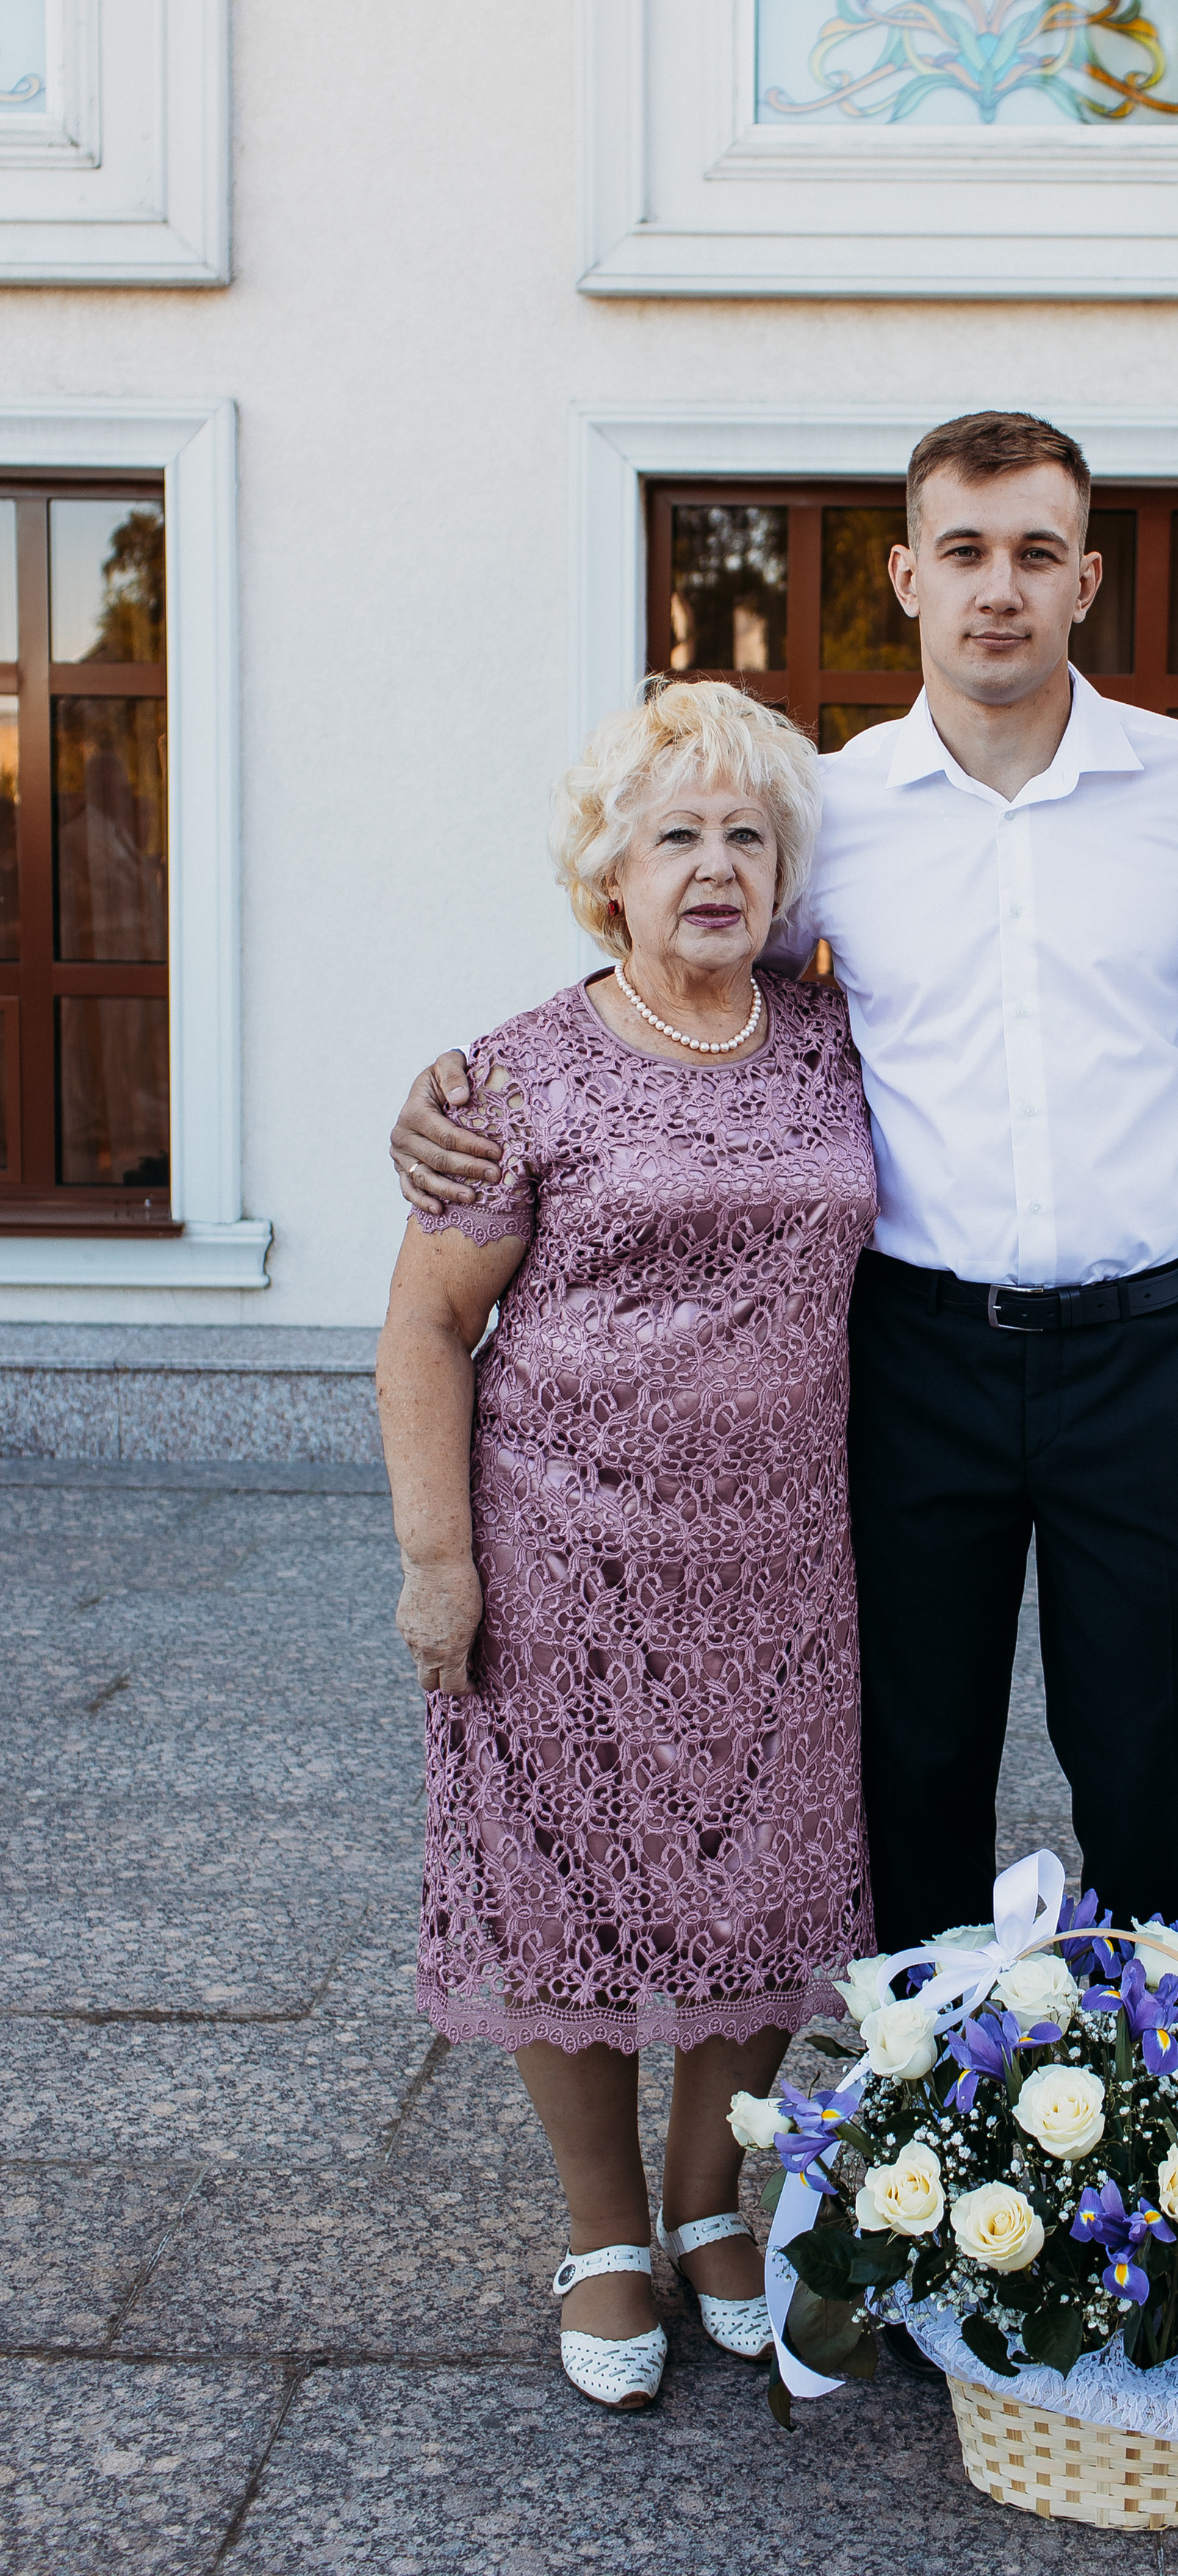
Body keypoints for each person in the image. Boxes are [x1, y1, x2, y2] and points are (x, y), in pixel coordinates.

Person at [392, 411, 1178, 1959]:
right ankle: (918, 2131)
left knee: (1149, 1752)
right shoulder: (833, 817)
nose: (995, 587)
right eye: (962, 553)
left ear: (1083, 580)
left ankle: (1162, 2135)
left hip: (1152, 1351)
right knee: (913, 1756)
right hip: (915, 1352)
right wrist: (467, 1090)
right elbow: (689, 977)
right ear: (905, 578)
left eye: (1032, 554)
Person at [376, 680, 875, 2414]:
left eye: (747, 835)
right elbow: (424, 1328)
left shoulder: (827, 1037)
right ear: (609, 875)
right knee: (567, 1886)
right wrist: (439, 1560)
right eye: (677, 836)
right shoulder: (511, 1073)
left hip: (783, 1554)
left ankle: (708, 2201)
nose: (717, 866)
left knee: (760, 1871)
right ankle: (603, 2234)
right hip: (563, 1547)